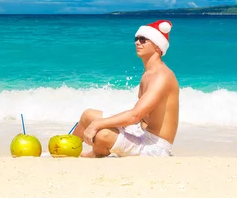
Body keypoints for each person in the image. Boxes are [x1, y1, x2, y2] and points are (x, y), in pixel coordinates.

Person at [73, 20, 179, 157]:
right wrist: (97, 123)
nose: (137, 43)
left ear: (158, 46)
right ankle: (68, 148)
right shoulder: (149, 72)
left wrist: (96, 125)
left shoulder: (161, 76)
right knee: (88, 115)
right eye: (136, 39)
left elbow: (135, 115)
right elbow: (141, 119)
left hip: (155, 147)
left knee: (102, 134)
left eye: (143, 40)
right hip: (140, 132)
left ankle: (93, 155)